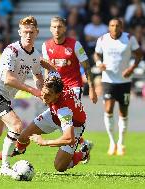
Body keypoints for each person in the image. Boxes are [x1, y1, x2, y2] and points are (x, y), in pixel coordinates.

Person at [0, 16, 55, 177]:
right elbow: (8, 79)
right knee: (16, 125)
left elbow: (38, 76)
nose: (28, 35)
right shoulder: (11, 50)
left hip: (5, 96)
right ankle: (5, 166)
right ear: (19, 32)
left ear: (37, 33)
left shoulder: (35, 55)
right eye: (25, 31)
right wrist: (33, 91)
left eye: (31, 32)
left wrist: (42, 91)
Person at [13, 76, 93, 172]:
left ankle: (83, 153)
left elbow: (69, 139)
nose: (44, 96)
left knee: (60, 167)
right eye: (44, 92)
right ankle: (18, 150)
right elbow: (50, 66)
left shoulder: (64, 110)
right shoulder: (55, 83)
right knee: (23, 137)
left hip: (75, 125)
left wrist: (44, 142)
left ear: (57, 95)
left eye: (49, 94)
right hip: (53, 115)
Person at [41, 16, 98, 148]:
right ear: (50, 29)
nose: (56, 30)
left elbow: (86, 66)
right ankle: (82, 143)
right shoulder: (46, 46)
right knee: (60, 119)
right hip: (55, 89)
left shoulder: (75, 45)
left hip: (73, 87)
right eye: (54, 27)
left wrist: (92, 89)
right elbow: (47, 68)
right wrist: (45, 86)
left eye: (59, 27)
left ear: (65, 28)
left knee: (67, 117)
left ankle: (71, 145)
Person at [93, 18, 143, 156]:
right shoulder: (102, 39)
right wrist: (98, 63)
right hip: (108, 80)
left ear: (122, 27)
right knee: (108, 109)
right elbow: (96, 54)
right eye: (112, 25)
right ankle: (112, 142)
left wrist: (132, 68)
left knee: (123, 112)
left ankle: (121, 142)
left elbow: (139, 54)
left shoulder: (129, 38)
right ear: (109, 27)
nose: (114, 28)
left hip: (124, 81)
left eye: (117, 25)